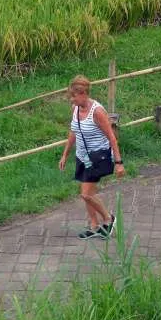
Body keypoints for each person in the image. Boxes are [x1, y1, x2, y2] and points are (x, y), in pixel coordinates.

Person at [59, 75, 125, 239]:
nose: (72, 100)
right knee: (87, 193)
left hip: (98, 157)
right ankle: (94, 227)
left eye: (74, 97)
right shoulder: (75, 109)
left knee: (86, 194)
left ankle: (109, 219)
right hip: (82, 156)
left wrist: (118, 162)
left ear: (83, 94)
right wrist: (65, 155)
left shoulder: (97, 112)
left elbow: (111, 137)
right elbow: (73, 131)